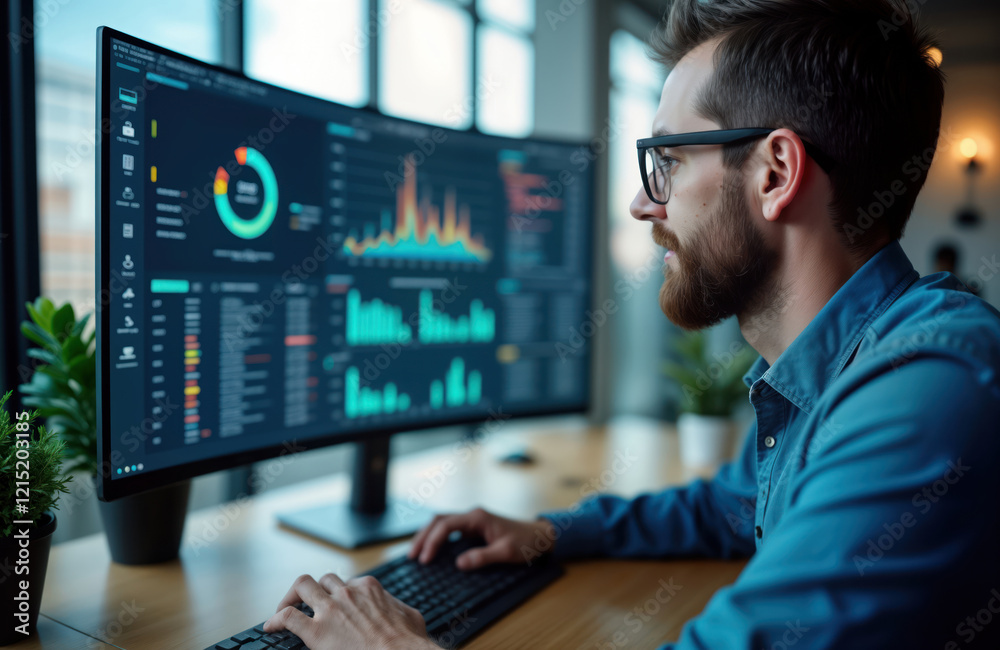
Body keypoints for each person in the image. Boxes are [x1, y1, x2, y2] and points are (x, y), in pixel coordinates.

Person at [263, 1, 1000, 648]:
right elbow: (730, 507)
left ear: (776, 173)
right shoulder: (845, 370)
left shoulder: (926, 387)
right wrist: (553, 533)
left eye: (667, 162)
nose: (644, 207)